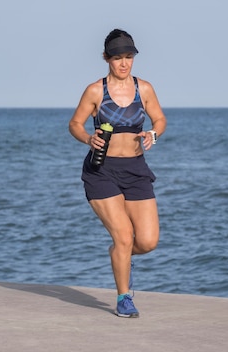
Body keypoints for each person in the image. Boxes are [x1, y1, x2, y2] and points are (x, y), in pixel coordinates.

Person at [68, 28, 167, 318]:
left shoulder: (144, 89)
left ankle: (119, 256)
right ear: (106, 58)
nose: (124, 63)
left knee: (147, 241)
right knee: (124, 235)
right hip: (102, 170)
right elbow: (74, 123)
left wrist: (153, 133)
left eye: (129, 57)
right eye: (117, 58)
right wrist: (88, 138)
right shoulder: (95, 90)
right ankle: (124, 298)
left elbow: (159, 118)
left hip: (136, 168)